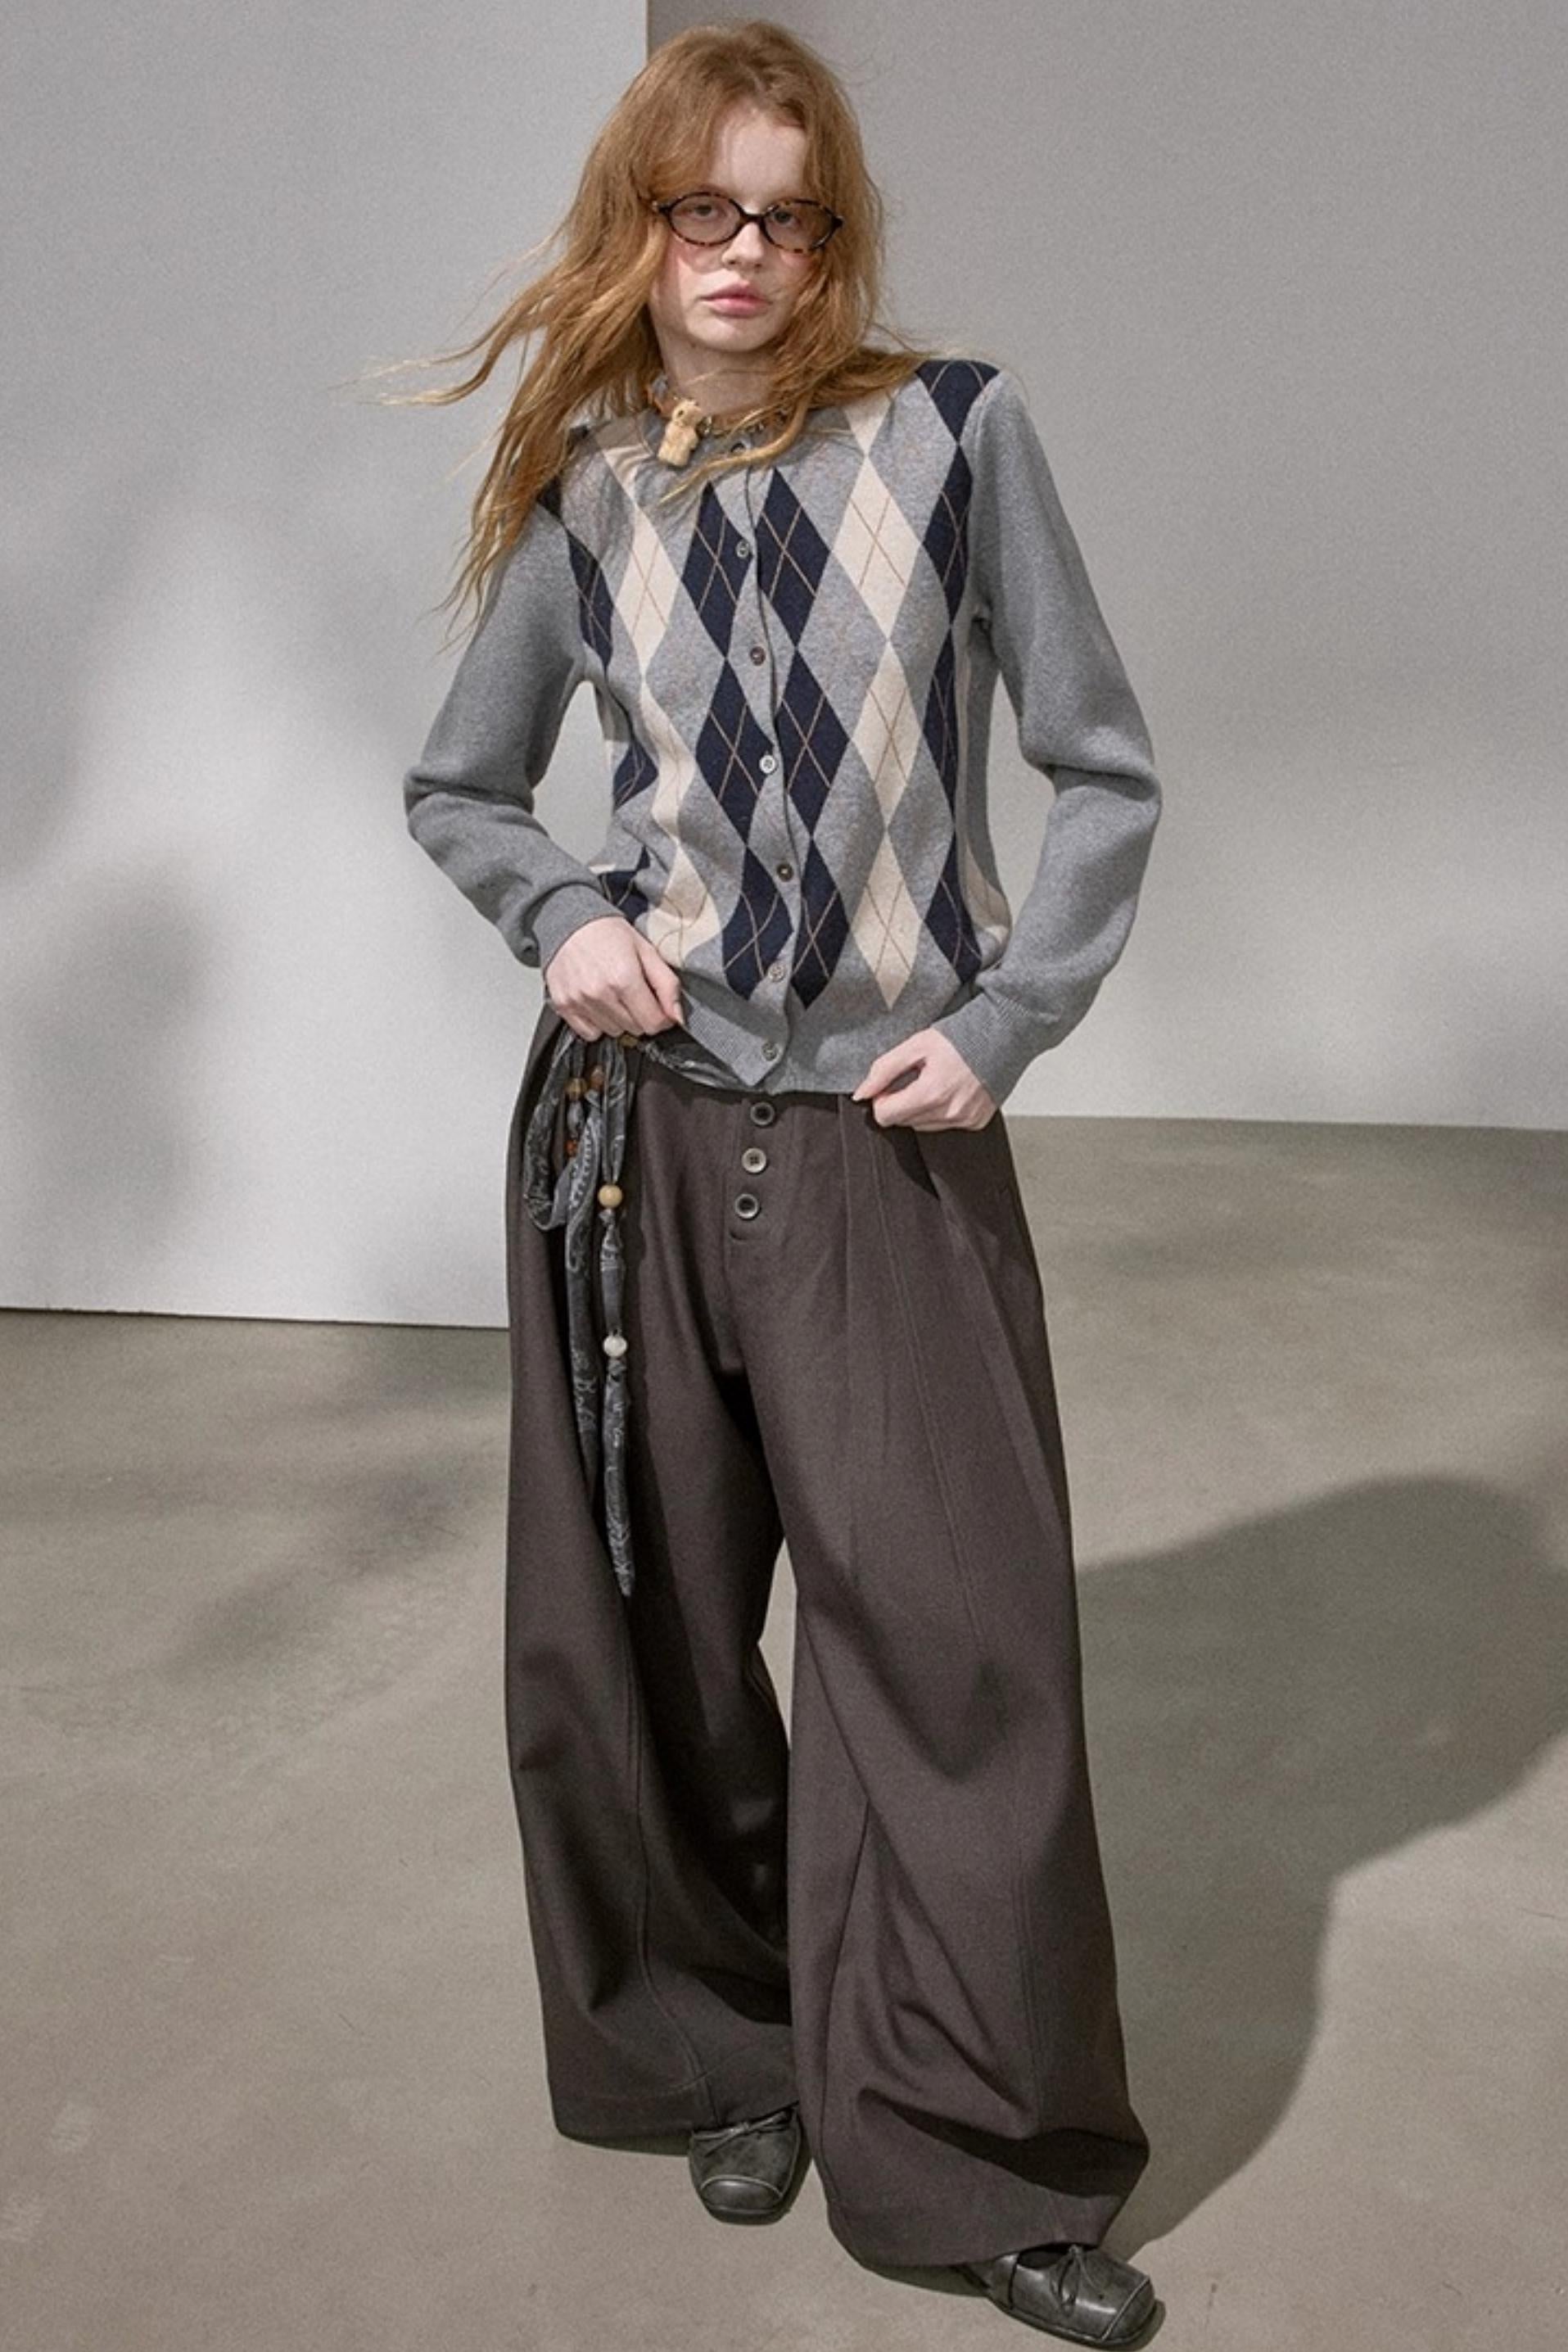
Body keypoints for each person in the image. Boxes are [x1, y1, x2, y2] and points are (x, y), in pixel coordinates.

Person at [395, 20, 1164, 2345]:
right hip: (630, 1139)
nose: (746, 254)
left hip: (879, 1141)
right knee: (643, 1637)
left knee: (951, 1648)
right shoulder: (588, 487)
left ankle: (972, 2153)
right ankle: (721, 2053)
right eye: (702, 209)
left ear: (836, 238)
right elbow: (462, 789)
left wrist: (1008, 1020)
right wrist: (562, 916)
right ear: (637, 223)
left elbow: (1102, 768)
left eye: (790, 216)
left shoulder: (955, 435)